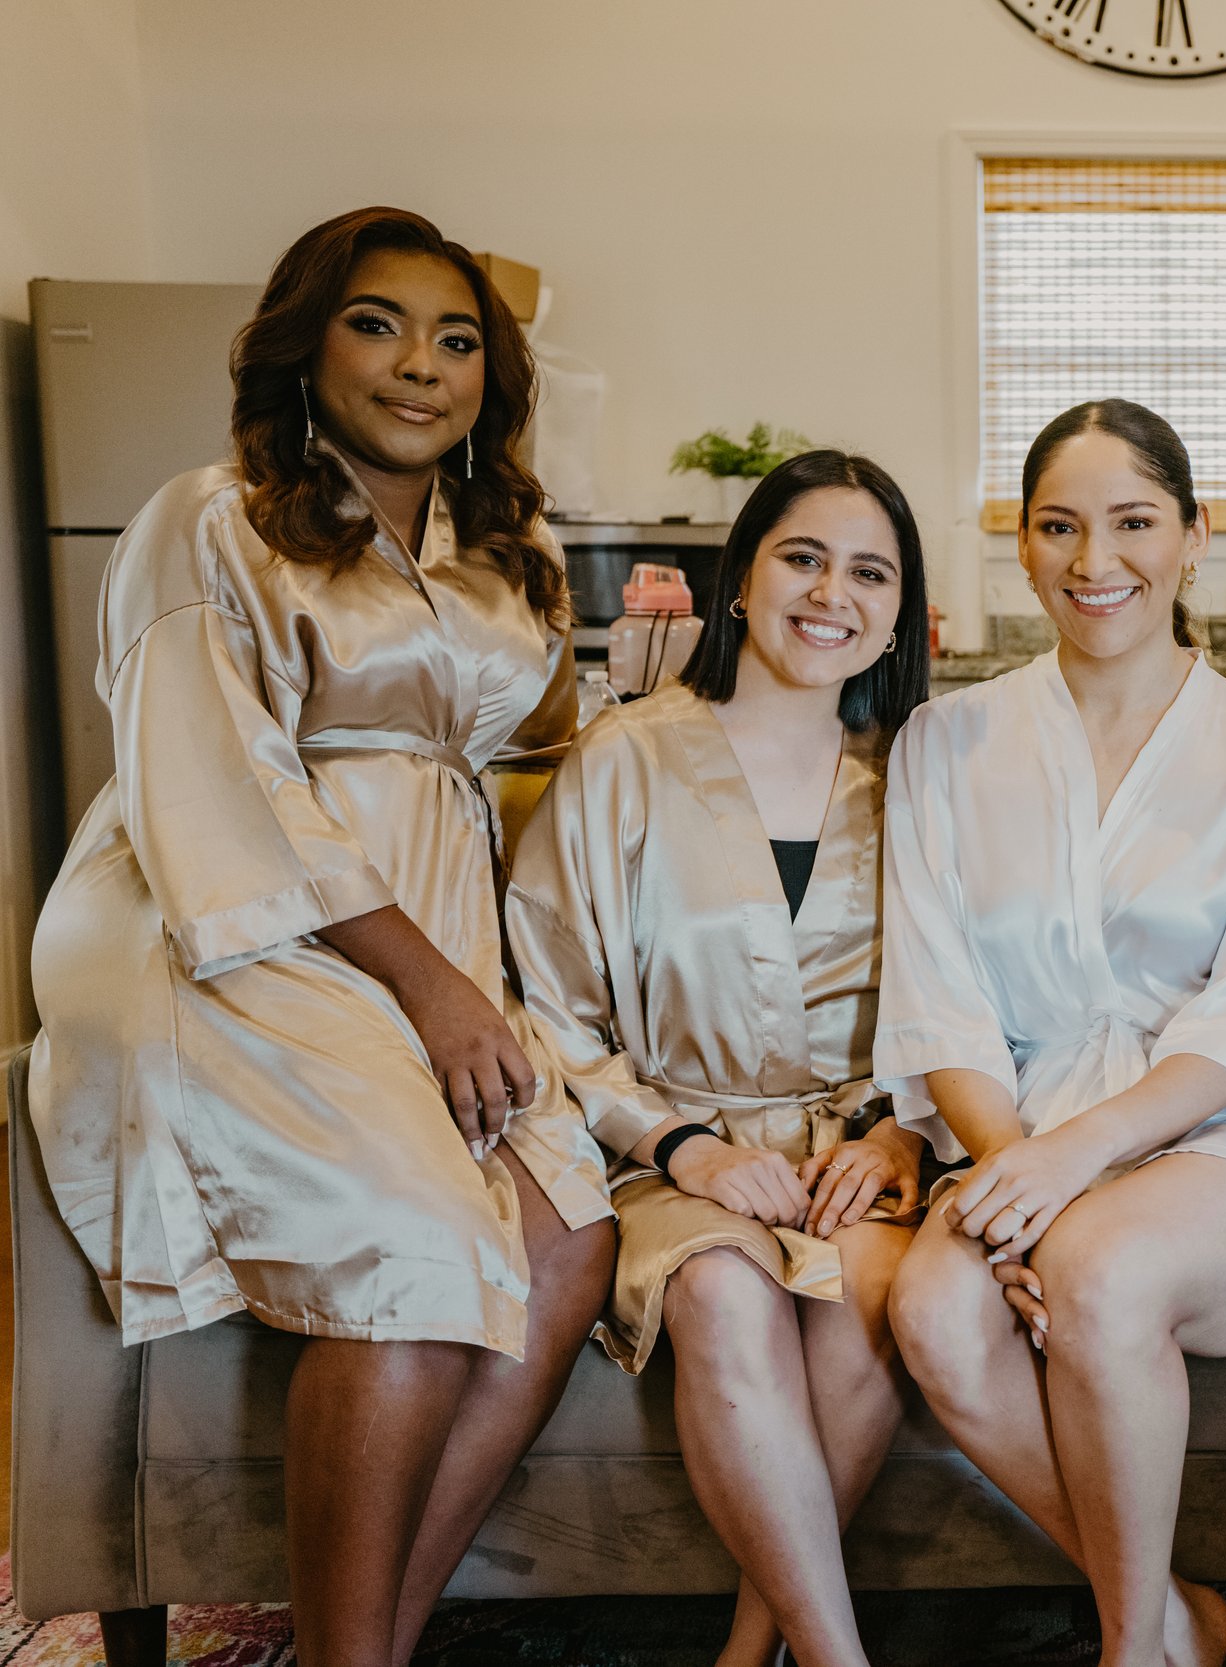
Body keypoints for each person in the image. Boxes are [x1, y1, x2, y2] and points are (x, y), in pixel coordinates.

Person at [24, 207, 616, 1667]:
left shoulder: (502, 552)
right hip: (216, 925)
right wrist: (429, 989)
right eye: (379, 322)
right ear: (305, 344)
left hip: (431, 936)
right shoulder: (208, 515)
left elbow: (513, 761)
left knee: (566, 1238)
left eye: (458, 338)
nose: (422, 364)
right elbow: (234, 792)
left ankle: (366, 1645)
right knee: (416, 1230)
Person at [879, 399, 1226, 1667]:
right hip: (1018, 1126)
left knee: (1094, 1266)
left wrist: (1064, 1168)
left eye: (1134, 521)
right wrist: (1007, 1160)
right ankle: (1165, 1616)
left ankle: (1124, 1651)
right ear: (1020, 546)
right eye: (1060, 526)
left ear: (1193, 537)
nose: (1097, 560)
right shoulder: (945, 741)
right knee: (931, 1307)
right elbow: (941, 1000)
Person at [504, 450, 932, 1667]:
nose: (830, 593)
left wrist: (899, 1129)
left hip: (862, 1150)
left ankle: (754, 1651)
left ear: (899, 610)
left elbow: (975, 1003)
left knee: (867, 1297)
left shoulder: (919, 776)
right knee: (723, 1292)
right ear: (742, 574)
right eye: (803, 555)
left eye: (870, 571)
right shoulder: (627, 756)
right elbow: (549, 1002)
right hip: (666, 1144)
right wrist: (679, 1145)